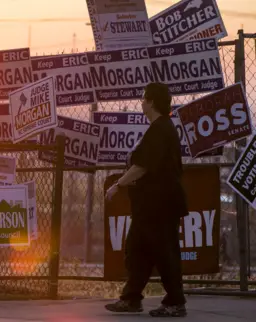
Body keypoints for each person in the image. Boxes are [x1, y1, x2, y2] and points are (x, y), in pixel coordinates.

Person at [104, 82, 188, 318]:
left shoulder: (160, 129)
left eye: (143, 98)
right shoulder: (159, 128)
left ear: (151, 102)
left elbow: (142, 166)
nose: (141, 102)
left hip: (160, 205)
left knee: (164, 252)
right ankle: (131, 299)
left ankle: (175, 302)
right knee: (137, 250)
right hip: (150, 206)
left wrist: (117, 185)